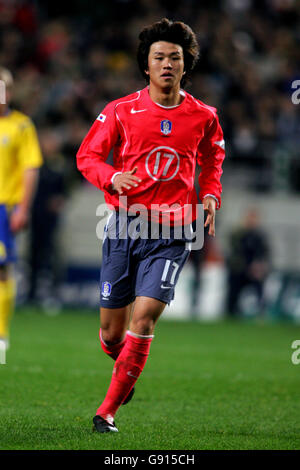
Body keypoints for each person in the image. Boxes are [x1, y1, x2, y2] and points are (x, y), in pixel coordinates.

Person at [77, 18, 225, 433]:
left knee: (144, 318)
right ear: (146, 64)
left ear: (185, 64)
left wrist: (211, 194)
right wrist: (111, 177)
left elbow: (214, 159)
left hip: (174, 231)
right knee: (111, 334)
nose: (166, 64)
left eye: (174, 57)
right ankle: (124, 365)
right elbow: (87, 157)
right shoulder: (121, 110)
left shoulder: (204, 116)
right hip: (125, 226)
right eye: (158, 57)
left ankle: (105, 413)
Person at [0, 67, 42, 353]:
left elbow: (30, 168)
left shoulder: (21, 126)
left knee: (2, 269)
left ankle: (1, 334)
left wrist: (23, 209)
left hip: (3, 208)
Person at [227, 208, 270, 316]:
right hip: (239, 269)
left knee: (260, 288)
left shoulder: (260, 236)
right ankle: (231, 312)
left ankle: (260, 313)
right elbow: (235, 252)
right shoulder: (238, 234)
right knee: (233, 290)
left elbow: (264, 253)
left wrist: (259, 266)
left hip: (255, 271)